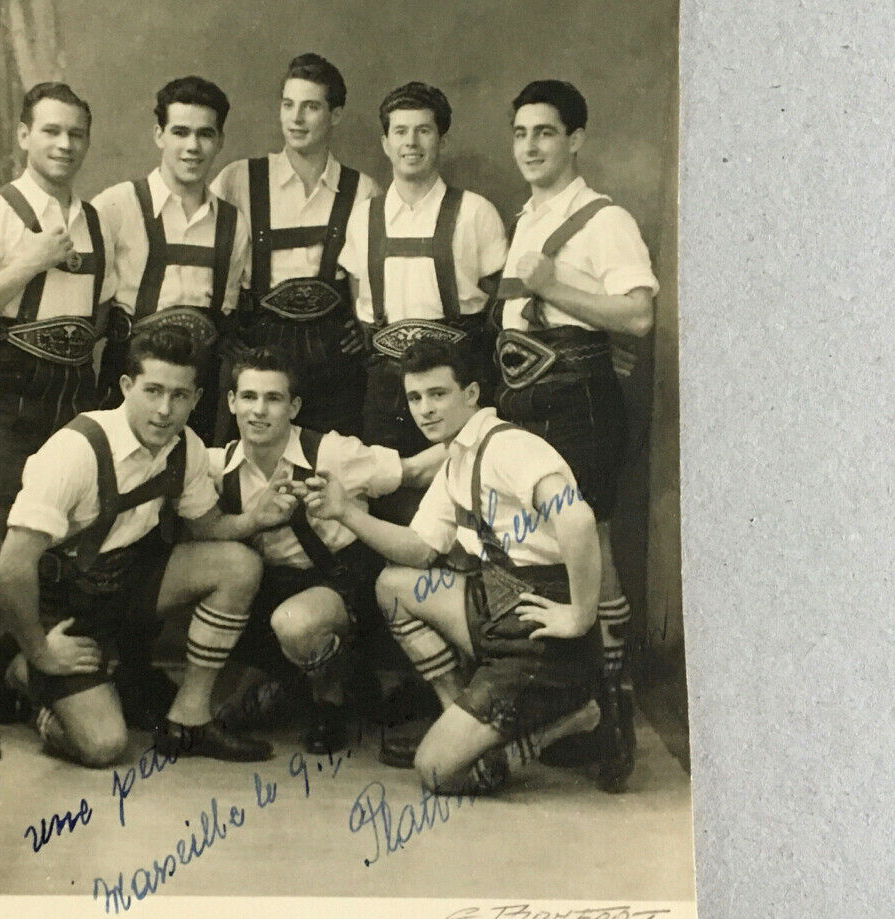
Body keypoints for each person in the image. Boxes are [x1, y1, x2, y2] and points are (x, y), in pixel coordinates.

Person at [303, 339, 634, 794]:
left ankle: (580, 715)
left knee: (437, 770)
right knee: (395, 585)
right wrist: (346, 512)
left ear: (472, 394)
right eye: (415, 398)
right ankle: (458, 711)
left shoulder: (509, 446)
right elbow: (419, 549)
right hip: (499, 605)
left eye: (438, 394)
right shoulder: (458, 456)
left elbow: (576, 517)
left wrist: (580, 614)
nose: (425, 409)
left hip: (542, 630)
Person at [0, 328, 300, 767]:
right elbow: (10, 567)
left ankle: (189, 719)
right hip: (61, 606)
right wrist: (42, 649)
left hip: (124, 585)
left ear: (195, 399)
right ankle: (22, 672)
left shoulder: (186, 448)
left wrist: (255, 519)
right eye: (153, 391)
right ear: (125, 388)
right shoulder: (76, 450)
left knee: (237, 564)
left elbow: (208, 526)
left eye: (179, 395)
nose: (164, 410)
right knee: (103, 746)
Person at [0, 82, 115, 763]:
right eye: (51, 131)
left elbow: (101, 313)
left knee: (59, 541)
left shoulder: (95, 220)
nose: (64, 145)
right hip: (7, 390)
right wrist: (28, 262)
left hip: (72, 392)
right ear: (23, 136)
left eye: (76, 134)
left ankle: (26, 672)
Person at [495, 80, 657, 769]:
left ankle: (613, 713)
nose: (531, 146)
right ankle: (574, 702)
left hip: (579, 400)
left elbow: (639, 316)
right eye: (521, 133)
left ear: (576, 140)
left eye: (546, 133)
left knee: (596, 550)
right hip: (525, 401)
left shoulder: (603, 219)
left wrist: (551, 284)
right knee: (544, 552)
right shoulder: (526, 215)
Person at [205, 347, 445, 751]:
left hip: (341, 586)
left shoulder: (332, 453)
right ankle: (290, 681)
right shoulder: (215, 466)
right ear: (231, 402)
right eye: (248, 397)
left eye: (274, 398)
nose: (259, 411)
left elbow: (416, 471)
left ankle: (330, 700)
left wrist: (480, 438)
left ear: (294, 406)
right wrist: (253, 521)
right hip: (271, 588)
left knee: (296, 624)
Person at [338, 81, 508, 461]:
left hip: (455, 382)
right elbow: (356, 290)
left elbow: (502, 302)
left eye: (423, 130)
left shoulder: (476, 212)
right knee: (386, 488)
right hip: (385, 384)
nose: (411, 142)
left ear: (441, 141)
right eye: (400, 131)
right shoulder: (364, 216)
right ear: (385, 143)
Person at [212, 54, 379, 436]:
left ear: (335, 115)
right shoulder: (238, 179)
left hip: (332, 350)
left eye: (311, 107)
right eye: (288, 105)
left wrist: (361, 325)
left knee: (331, 465)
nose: (296, 118)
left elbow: (370, 276)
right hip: (259, 342)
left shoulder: (363, 190)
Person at [94, 76, 249, 443]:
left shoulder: (232, 222)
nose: (192, 147)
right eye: (180, 132)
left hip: (199, 387)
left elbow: (226, 310)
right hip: (130, 379)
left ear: (220, 141)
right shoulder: (116, 205)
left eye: (205, 134)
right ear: (158, 135)